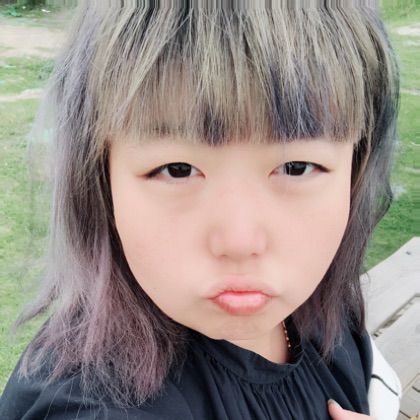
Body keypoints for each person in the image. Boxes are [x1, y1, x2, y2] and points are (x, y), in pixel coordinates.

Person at [0, 1, 402, 419]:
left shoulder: (325, 316)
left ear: (355, 171)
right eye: (177, 169)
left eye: (296, 167)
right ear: (101, 182)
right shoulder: (93, 406)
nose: (240, 241)